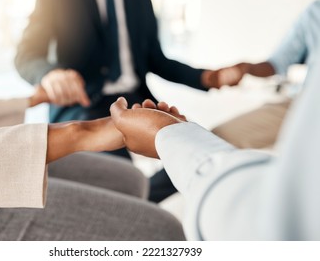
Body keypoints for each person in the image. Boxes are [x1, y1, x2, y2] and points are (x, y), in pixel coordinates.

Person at [0, 23, 185, 241]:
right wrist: (81, 133)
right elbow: (28, 54)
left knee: (133, 179)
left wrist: (30, 100)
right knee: (161, 231)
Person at [14, 0, 215, 202]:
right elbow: (26, 55)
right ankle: (130, 202)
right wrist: (50, 74)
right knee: (123, 175)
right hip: (85, 103)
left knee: (198, 151)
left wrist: (205, 77)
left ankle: (134, 201)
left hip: (136, 101)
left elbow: (157, 60)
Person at [110, 58, 320, 240]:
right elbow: (280, 59)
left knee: (162, 226)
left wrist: (168, 135)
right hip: (302, 99)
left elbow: (280, 230)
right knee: (214, 135)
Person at [202, 0, 320, 149]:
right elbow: (278, 62)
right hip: (305, 104)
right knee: (215, 141)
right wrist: (247, 68)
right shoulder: (315, 11)